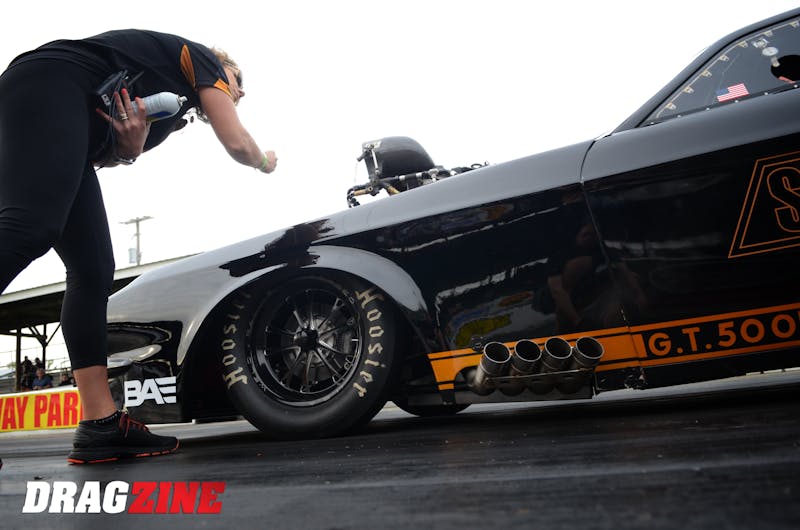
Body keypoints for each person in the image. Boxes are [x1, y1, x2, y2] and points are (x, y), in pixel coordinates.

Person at [0, 29, 277, 464]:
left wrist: (129, 150)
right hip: (49, 81)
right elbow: (238, 143)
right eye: (236, 79)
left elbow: (89, 155)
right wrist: (265, 161)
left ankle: (101, 424)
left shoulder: (170, 114)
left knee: (93, 269)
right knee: (32, 227)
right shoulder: (199, 58)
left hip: (54, 105)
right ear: (220, 66)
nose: (240, 91)